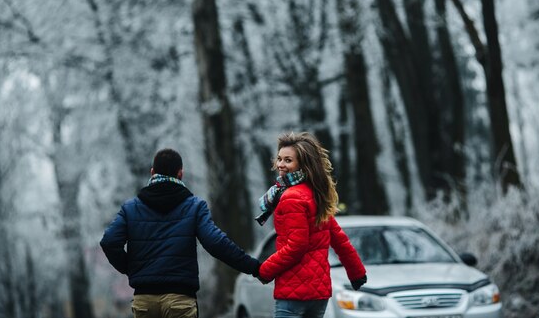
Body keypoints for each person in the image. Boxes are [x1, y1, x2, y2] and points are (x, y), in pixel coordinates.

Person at [100, 148, 260, 318]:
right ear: (180, 174)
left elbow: (109, 242)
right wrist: (253, 267)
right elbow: (215, 243)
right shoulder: (195, 206)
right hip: (180, 299)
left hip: (144, 300)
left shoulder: (131, 208)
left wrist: (131, 269)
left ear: (152, 172)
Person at [256, 132, 367, 318]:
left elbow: (296, 246)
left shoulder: (290, 197)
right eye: (279, 159)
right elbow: (339, 238)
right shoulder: (315, 195)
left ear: (302, 165)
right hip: (318, 293)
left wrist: (265, 271)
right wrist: (356, 273)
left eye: (288, 160)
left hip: (293, 291)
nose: (280, 165)